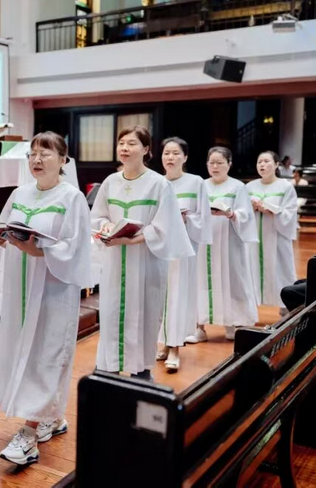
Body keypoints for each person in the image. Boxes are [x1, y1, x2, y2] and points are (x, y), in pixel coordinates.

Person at [0, 132, 91, 465]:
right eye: (32, 153)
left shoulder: (71, 197)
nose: (36, 159)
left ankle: (29, 434)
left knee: (47, 352)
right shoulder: (21, 193)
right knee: (23, 349)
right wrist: (3, 238)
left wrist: (38, 247)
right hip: (20, 286)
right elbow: (6, 227)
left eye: (45, 154)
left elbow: (73, 248)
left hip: (53, 288)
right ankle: (51, 416)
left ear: (63, 160)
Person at [91, 126, 193, 381]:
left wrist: (136, 238)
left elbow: (167, 227)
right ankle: (109, 367)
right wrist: (104, 225)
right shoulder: (110, 182)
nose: (124, 148)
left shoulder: (159, 184)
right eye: (121, 143)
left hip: (146, 262)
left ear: (146, 150)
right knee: (113, 312)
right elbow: (99, 215)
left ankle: (141, 370)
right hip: (115, 262)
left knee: (145, 313)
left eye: (132, 143)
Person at [187, 147, 258, 344]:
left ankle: (232, 323)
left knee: (232, 279)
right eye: (212, 163)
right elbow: (194, 210)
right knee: (201, 280)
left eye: (220, 162)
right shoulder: (201, 185)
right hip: (204, 242)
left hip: (229, 241)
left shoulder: (237, 187)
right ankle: (199, 326)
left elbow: (245, 214)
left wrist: (231, 214)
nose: (215, 166)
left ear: (229, 164)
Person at [156, 137, 212, 372]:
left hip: (183, 248)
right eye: (166, 153)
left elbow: (204, 218)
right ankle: (164, 342)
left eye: (175, 153)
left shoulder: (196, 182)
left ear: (185, 157)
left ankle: (175, 346)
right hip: (159, 248)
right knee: (160, 296)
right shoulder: (156, 182)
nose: (170, 157)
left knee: (177, 296)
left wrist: (187, 217)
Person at [247, 151, 299, 313]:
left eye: (266, 161)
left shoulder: (285, 187)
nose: (262, 165)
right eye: (259, 162)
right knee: (252, 269)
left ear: (276, 165)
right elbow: (241, 212)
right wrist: (252, 208)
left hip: (276, 236)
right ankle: (251, 307)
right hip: (255, 238)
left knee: (282, 270)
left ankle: (285, 305)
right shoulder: (249, 187)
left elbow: (290, 213)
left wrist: (271, 210)